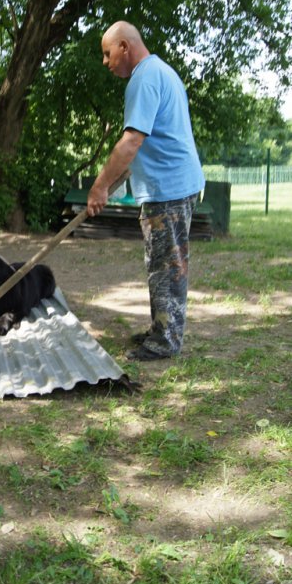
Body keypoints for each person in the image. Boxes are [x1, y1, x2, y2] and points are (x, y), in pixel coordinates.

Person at [87, 21, 205, 361]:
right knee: (164, 262)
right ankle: (161, 328)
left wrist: (98, 185)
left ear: (124, 46)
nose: (106, 62)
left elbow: (131, 141)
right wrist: (109, 186)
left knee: (166, 265)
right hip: (171, 186)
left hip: (167, 189)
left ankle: (165, 340)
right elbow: (139, 149)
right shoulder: (159, 72)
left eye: (108, 54)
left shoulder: (144, 78)